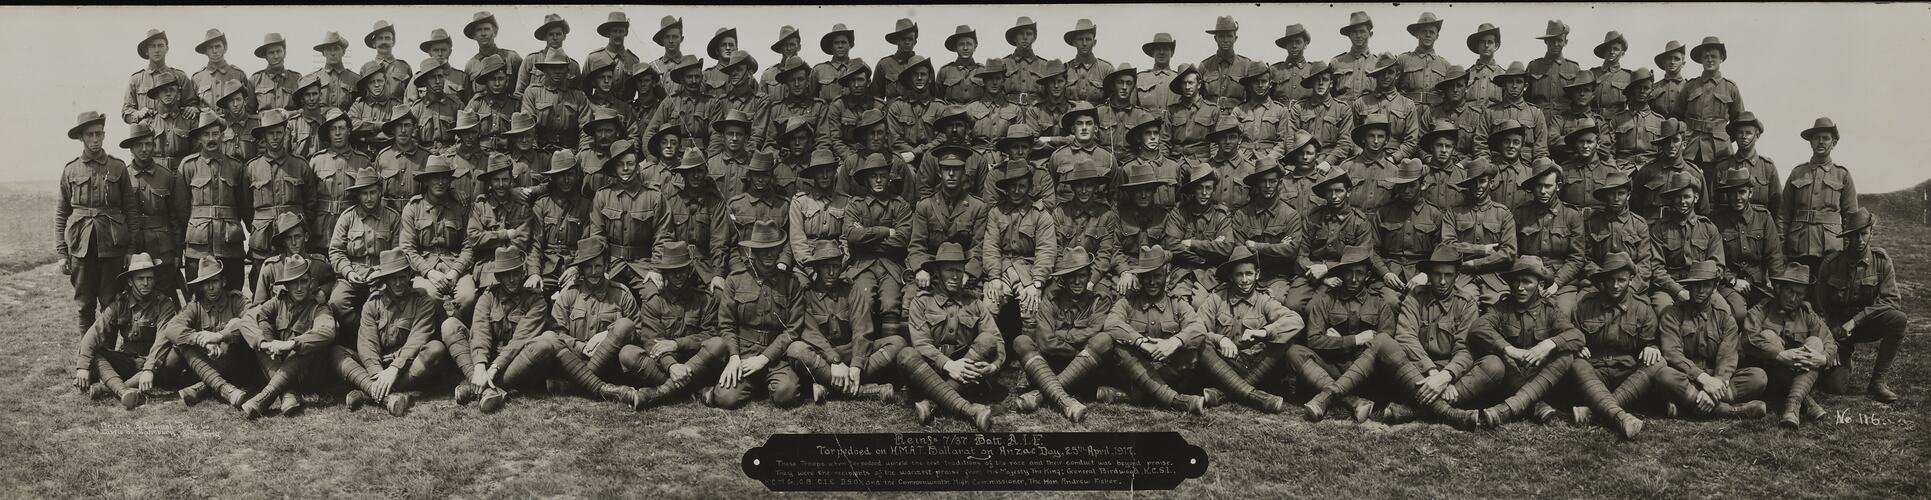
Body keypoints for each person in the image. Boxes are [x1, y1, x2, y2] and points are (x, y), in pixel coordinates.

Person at [1465, 257, 1645, 440]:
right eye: (1516, 281)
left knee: (1566, 356)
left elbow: (1576, 336)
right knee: (1498, 356)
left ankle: (1509, 409)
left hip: (1543, 377)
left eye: (1527, 282)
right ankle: (1530, 406)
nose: (1520, 287)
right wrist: (1508, 349)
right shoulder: (1501, 308)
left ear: (1540, 285)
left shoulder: (1550, 310)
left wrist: (1549, 344)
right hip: (1512, 376)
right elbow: (1478, 328)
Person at [1300, 246, 1481, 427]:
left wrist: (1445, 377)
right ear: (1429, 275)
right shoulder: (1415, 297)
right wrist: (1432, 372)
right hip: (1416, 366)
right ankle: (1449, 413)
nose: (1442, 281)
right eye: (1437, 275)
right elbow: (1405, 337)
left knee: (1493, 366)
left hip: (1445, 370)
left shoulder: (1466, 304)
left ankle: (1413, 411)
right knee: (1296, 352)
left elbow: (1465, 349)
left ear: (1457, 277)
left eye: (1448, 275)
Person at [1567, 253, 1692, 425]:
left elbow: (1650, 341)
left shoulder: (1642, 307)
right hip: (1595, 372)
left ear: (1631, 280)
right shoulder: (1585, 305)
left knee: (1658, 362)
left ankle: (1595, 411)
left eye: (1621, 280)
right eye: (1610, 280)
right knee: (1576, 364)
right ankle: (1621, 414)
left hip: (1627, 373)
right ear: (1603, 280)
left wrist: (1652, 347)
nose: (1615, 285)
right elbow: (1571, 332)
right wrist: (1576, 345)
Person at [330, 249, 444, 417]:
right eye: (392, 278)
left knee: (436, 348)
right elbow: (367, 345)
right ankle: (386, 395)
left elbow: (418, 339)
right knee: (336, 352)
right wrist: (377, 372)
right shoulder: (372, 304)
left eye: (402, 277)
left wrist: (394, 368)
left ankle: (368, 391)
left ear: (409, 275)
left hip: (407, 367)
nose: (398, 283)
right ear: (385, 280)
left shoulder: (423, 301)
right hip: (379, 368)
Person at [786, 240, 902, 403]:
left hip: (850, 352)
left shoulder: (850, 290)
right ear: (817, 268)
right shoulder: (806, 295)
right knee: (796, 350)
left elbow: (862, 328)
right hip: (824, 357)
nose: (831, 272)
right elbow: (811, 334)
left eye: (835, 266)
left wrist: (856, 364)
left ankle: (830, 389)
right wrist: (834, 360)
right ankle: (864, 391)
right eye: (826, 267)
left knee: (897, 343)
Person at [707, 222, 807, 409]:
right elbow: (727, 325)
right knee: (725, 399)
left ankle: (766, 383)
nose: (769, 254)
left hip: (776, 355)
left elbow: (793, 329)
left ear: (779, 250)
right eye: (763, 250)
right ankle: (753, 385)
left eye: (773, 249)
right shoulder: (735, 280)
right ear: (753, 251)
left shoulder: (791, 283)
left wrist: (764, 358)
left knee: (786, 395)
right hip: (744, 352)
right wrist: (734, 357)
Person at [1810, 208, 1906, 403]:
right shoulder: (1831, 263)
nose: (1859, 239)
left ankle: (1878, 382)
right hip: (1837, 331)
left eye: (1864, 233)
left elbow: (1891, 300)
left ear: (1871, 233)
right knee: (1835, 387)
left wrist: (1855, 321)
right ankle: (1842, 359)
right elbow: (1819, 308)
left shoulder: (1881, 262)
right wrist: (1830, 340)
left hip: (1865, 324)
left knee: (1897, 320)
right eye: (1854, 235)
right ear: (1847, 237)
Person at [1010, 247, 1114, 422]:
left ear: (1089, 276)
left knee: (1103, 340)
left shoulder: (1100, 299)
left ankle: (1041, 395)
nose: (1076, 281)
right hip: (1054, 367)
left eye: (1081, 275)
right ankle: (1067, 402)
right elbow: (1045, 343)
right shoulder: (1050, 299)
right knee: (1021, 341)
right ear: (1063, 279)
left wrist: (1061, 335)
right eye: (1071, 276)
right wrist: (1080, 355)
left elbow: (1096, 332)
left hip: (1087, 374)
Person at [619, 242, 729, 408]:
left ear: (690, 270)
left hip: (696, 364)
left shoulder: (705, 299)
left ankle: (659, 393)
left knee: (718, 344)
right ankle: (694, 391)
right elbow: (651, 341)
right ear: (665, 274)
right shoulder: (654, 301)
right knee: (627, 353)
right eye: (672, 271)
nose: (678, 275)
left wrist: (677, 344)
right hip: (663, 367)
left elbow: (710, 334)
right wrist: (671, 366)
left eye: (682, 270)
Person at [1660, 260, 1772, 419]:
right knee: (1664, 375)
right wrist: (1703, 379)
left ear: (1714, 288)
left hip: (1716, 379)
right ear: (1688, 287)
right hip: (1687, 377)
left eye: (1706, 285)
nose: (1700, 290)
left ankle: (1689, 406)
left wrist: (1716, 382)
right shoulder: (1672, 315)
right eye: (1696, 285)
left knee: (1758, 377)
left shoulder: (1725, 318)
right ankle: (1730, 412)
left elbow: (1727, 357)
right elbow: (1672, 353)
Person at [1195, 245, 1300, 413]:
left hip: (1256, 367)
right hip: (1223, 366)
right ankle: (1257, 397)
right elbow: (1196, 331)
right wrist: (1220, 339)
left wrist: (1264, 332)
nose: (1245, 280)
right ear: (1231, 276)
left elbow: (1295, 321)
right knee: (1201, 343)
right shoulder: (1216, 299)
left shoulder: (1264, 300)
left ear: (1257, 274)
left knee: (1286, 338)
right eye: (1239, 274)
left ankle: (1224, 394)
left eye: (1249, 274)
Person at [545, 236, 646, 409]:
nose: (593, 272)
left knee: (624, 326)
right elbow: (557, 333)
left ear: (606, 266)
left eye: (598, 266)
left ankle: (577, 385)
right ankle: (601, 387)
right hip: (575, 362)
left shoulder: (621, 294)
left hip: (610, 366)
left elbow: (637, 332)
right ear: (581, 269)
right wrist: (581, 347)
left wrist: (610, 335)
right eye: (588, 267)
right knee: (548, 338)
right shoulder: (569, 294)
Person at [60, 111, 138, 334]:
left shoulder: (118, 167)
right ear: (81, 138)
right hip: (81, 248)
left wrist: (130, 250)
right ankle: (87, 358)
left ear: (104, 136)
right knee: (85, 306)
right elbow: (61, 213)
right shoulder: (70, 170)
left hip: (112, 247)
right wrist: (61, 253)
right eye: (90, 135)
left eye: (99, 134)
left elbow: (131, 211)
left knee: (111, 304)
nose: (95, 139)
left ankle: (108, 359)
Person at [452, 247, 555, 412]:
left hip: (515, 362)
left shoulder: (536, 300)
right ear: (499, 277)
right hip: (489, 358)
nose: (512, 279)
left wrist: (494, 368)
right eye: (506, 275)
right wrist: (479, 366)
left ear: (523, 273)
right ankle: (482, 384)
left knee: (543, 346)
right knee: (450, 326)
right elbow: (480, 332)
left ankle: (476, 388)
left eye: (516, 273)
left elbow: (519, 340)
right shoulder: (488, 296)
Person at [72, 253, 180, 410]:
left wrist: (149, 369)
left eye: (149, 278)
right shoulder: (119, 304)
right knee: (93, 352)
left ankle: (108, 388)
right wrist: (82, 367)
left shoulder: (164, 304)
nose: (146, 283)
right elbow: (93, 334)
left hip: (156, 363)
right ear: (130, 281)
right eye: (140, 279)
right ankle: (123, 392)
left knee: (173, 356)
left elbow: (162, 340)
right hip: (128, 362)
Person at [236, 257, 337, 419]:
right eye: (293, 283)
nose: (299, 288)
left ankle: (267, 395)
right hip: (280, 369)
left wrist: (291, 344)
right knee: (259, 341)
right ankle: (288, 393)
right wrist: (264, 343)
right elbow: (247, 319)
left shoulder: (318, 306)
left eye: (303, 282)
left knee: (308, 345)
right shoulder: (277, 302)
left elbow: (327, 331)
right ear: (286, 285)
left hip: (308, 377)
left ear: (310, 282)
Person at [1743, 264, 1835, 427]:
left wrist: (1823, 358)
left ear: (1806, 294)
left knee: (1816, 342)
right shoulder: (1762, 309)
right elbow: (1748, 337)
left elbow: (1829, 340)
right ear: (1779, 288)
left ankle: (1793, 405)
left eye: (1799, 294)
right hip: (1770, 376)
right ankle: (1806, 400)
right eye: (1789, 291)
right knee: (1768, 336)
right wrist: (1780, 355)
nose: (1793, 299)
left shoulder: (1807, 313)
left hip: (1801, 374)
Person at [159, 257, 254, 408]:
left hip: (234, 364)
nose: (210, 287)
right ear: (201, 286)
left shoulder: (237, 300)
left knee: (231, 343)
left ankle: (204, 386)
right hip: (206, 360)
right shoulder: (196, 305)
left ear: (223, 281)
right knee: (180, 346)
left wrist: (220, 335)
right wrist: (197, 338)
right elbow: (171, 328)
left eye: (214, 281)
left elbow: (252, 320)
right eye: (205, 283)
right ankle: (221, 387)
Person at [1512, 161, 1589, 312]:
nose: (1542, 191)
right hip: (1527, 278)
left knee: (1564, 312)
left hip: (1562, 282)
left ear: (1558, 186)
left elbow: (1577, 258)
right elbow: (1513, 253)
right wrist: (1527, 280)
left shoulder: (1572, 215)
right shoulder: (1521, 214)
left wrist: (1556, 283)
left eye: (1548, 186)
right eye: (1539, 185)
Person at [122, 122, 187, 298]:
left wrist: (177, 252)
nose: (144, 149)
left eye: (148, 144)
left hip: (163, 248)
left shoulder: (167, 175)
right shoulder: (123, 176)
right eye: (139, 145)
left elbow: (175, 217)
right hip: (134, 247)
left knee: (165, 295)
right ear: (131, 148)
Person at [1782, 118, 1857, 269]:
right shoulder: (1797, 173)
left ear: (1834, 143)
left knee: (1826, 292)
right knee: (1797, 291)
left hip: (1830, 250)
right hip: (1798, 248)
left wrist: (1849, 251)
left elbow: (1851, 219)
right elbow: (1783, 215)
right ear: (1810, 142)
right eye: (1816, 138)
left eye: (1826, 138)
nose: (1820, 142)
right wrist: (1781, 247)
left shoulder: (1842, 175)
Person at [1647, 171, 1728, 313]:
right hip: (1668, 288)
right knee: (1663, 312)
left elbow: (1718, 265)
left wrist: (1700, 288)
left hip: (1702, 286)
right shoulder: (1659, 228)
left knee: (1724, 311)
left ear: (1695, 198)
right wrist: (1677, 291)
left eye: (1687, 196)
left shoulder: (1709, 228)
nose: (1682, 201)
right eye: (1678, 197)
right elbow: (1656, 268)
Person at [1711, 169, 1784, 321]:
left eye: (1742, 192)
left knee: (1775, 315)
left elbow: (1774, 257)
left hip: (1758, 285)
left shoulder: (1763, 217)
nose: (1737, 198)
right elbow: (1712, 259)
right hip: (1729, 284)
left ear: (1750, 193)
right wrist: (1732, 280)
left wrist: (1778, 289)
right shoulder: (1717, 220)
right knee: (1739, 313)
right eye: (1732, 193)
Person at [326, 171, 400, 318]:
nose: (369, 198)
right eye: (364, 193)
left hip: (383, 275)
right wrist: (348, 272)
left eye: (373, 192)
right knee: (337, 302)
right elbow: (336, 251)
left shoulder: (393, 217)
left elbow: (398, 252)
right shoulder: (347, 217)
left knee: (389, 307)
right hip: (353, 274)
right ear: (358, 195)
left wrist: (382, 271)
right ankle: (355, 336)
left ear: (380, 192)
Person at [1674, 37, 1744, 170]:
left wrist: (1723, 138)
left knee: (1717, 187)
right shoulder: (1690, 86)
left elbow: (1739, 122)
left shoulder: (1730, 88)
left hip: (1719, 151)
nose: (1709, 59)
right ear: (1701, 59)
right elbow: (1676, 116)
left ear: (1721, 58)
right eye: (1706, 56)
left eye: (1714, 56)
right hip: (1690, 147)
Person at [1350, 56, 1422, 162]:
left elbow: (1411, 141)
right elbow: (1351, 135)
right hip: (1365, 159)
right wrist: (1361, 155)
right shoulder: (1361, 103)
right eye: (1381, 73)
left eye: (1390, 72)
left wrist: (1393, 158)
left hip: (1395, 161)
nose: (1386, 76)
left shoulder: (1407, 105)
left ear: (1397, 75)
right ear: (1376, 75)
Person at [1708, 112, 1779, 219]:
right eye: (1740, 132)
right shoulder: (1722, 167)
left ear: (1757, 135)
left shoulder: (1767, 167)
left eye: (1748, 133)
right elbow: (1712, 203)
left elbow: (1777, 206)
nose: (1744, 136)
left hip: (1759, 228)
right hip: (1727, 227)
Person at [1478, 62, 1549, 161]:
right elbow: (1480, 143)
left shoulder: (1535, 113)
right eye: (1510, 82)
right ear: (1504, 85)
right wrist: (1487, 163)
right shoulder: (1490, 112)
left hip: (1526, 167)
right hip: (1496, 166)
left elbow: (1541, 149)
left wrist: (1537, 167)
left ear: (1525, 86)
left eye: (1519, 82)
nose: (1514, 86)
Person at [126, 29, 197, 125]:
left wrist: (192, 109)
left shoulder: (180, 77)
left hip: (174, 133)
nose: (156, 50)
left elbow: (193, 104)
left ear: (167, 49)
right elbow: (126, 111)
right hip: (146, 135)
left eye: (160, 45)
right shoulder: (136, 80)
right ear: (146, 51)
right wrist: (138, 114)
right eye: (152, 46)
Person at [463, 11, 524, 101]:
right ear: (474, 35)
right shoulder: (471, 65)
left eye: (487, 29)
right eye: (479, 30)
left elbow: (524, 90)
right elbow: (468, 98)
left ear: (495, 32)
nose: (483, 33)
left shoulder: (512, 58)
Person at [519, 14, 581, 98]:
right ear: (545, 37)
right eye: (551, 34)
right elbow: (519, 92)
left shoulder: (573, 65)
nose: (555, 38)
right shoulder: (531, 60)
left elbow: (579, 95)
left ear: (564, 36)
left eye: (558, 34)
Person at [1198, 16, 1255, 107]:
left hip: (1237, 119)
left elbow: (1252, 99)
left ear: (1235, 38)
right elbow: (1197, 98)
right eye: (1221, 36)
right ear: (1215, 39)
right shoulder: (1204, 66)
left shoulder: (1246, 65)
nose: (1225, 40)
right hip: (1209, 119)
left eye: (1229, 36)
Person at [1395, 13, 1451, 105]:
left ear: (1437, 36)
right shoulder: (1403, 60)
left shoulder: (1445, 66)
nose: (1428, 35)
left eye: (1432, 32)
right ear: (1417, 34)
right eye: (1424, 31)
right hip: (1408, 113)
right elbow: (1391, 90)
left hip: (1435, 114)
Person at [1525, 21, 1579, 110]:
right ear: (1546, 41)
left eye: (1559, 40)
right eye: (1552, 40)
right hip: (1539, 119)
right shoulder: (1534, 67)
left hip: (1565, 120)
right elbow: (1525, 97)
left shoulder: (1574, 68)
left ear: (1565, 42)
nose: (1556, 44)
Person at [1328, 12, 1377, 103]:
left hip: (1369, 112)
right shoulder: (1336, 62)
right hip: (1341, 114)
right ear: (1349, 35)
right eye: (1354, 32)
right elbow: (1327, 94)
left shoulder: (1378, 63)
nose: (1358, 35)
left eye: (1362, 31)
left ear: (1370, 34)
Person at [1268, 24, 1315, 104]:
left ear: (1305, 44)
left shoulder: (1312, 69)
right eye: (1290, 42)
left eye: (1298, 42)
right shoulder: (1275, 70)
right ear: (1286, 45)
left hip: (1305, 114)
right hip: (1280, 115)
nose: (1294, 46)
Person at [938, 25, 985, 103]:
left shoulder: (983, 71)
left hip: (977, 114)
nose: (965, 48)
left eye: (969, 44)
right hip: (951, 114)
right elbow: (938, 100)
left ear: (975, 47)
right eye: (961, 44)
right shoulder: (945, 71)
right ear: (955, 47)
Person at [1463, 23, 1505, 107]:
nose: (1486, 45)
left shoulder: (1504, 75)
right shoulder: (1466, 74)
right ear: (1477, 46)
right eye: (1482, 42)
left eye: (1490, 42)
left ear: (1496, 46)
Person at [1589, 31, 1631, 114]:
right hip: (1592, 121)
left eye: (1616, 49)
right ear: (1603, 51)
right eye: (1609, 48)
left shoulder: (1629, 77)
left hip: (1617, 124)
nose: (1612, 52)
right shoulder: (1592, 74)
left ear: (1622, 54)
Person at [1136, 33, 1181, 110]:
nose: (1161, 52)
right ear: (1152, 53)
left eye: (1165, 49)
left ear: (1172, 53)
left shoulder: (1180, 78)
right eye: (1158, 49)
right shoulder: (1140, 79)